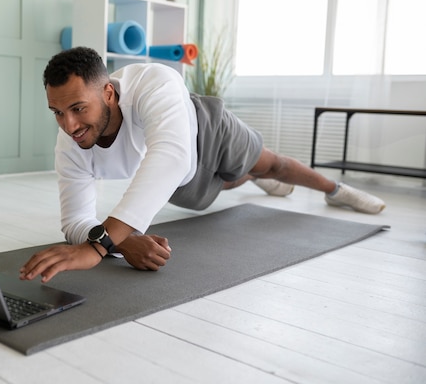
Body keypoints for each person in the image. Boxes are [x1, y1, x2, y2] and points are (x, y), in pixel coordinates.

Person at [19, 46, 385, 283]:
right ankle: (249, 178)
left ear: (109, 94)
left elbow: (172, 155)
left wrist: (98, 247)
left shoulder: (153, 81)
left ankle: (336, 190)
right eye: (57, 112)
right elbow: (74, 221)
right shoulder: (70, 145)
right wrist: (124, 241)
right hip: (180, 180)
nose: (69, 125)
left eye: (79, 108)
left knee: (269, 164)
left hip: (208, 133)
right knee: (221, 185)